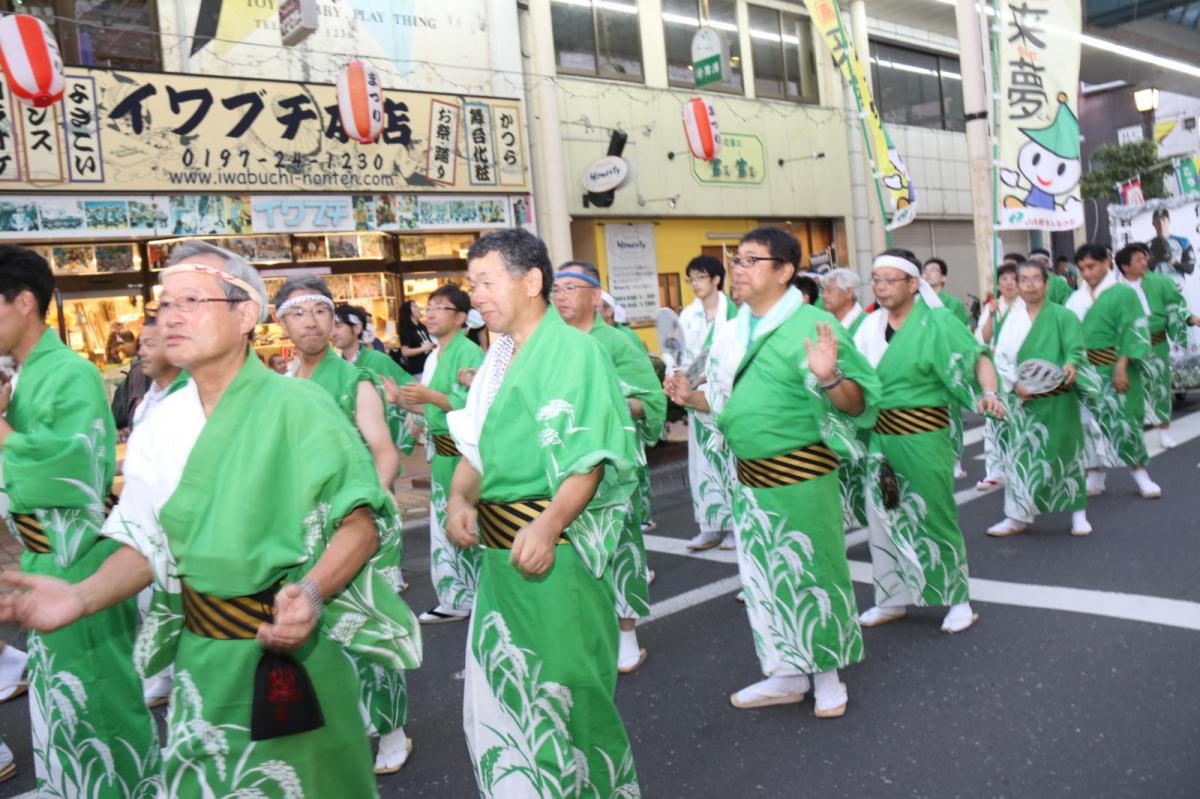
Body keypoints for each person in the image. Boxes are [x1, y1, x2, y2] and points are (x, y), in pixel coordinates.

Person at [0, 242, 422, 797]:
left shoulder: (299, 405)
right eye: (163, 304)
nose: (169, 316)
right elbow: (146, 540)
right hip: (200, 655)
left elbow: (360, 523)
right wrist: (80, 597)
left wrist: (314, 593)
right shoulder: (162, 421)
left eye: (191, 300)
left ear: (245, 315)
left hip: (287, 651)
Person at [445, 229, 641, 797]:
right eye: (472, 283)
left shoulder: (576, 351)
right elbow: (477, 448)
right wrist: (460, 498)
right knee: (509, 686)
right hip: (503, 560)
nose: (476, 295)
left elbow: (590, 456)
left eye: (487, 281)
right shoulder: (500, 355)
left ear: (531, 281)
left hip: (557, 556)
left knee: (568, 693)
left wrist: (552, 522)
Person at [667, 227, 878, 718]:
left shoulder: (812, 324)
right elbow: (728, 404)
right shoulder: (735, 328)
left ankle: (827, 676)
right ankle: (784, 673)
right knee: (764, 578)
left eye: (749, 261)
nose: (736, 269)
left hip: (802, 474)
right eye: (735, 259)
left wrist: (830, 376)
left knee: (813, 570)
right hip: (749, 478)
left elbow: (858, 404)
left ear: (783, 272)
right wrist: (690, 398)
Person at [0, 245, 160, 795]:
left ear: (23, 302)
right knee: (62, 693)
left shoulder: (67, 372)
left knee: (97, 694)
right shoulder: (24, 373)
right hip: (48, 555)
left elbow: (69, 470)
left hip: (76, 558)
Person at [274, 274, 413, 774]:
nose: (310, 322)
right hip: (301, 532)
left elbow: (384, 452)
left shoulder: (356, 379)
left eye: (319, 312)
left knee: (367, 629)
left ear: (334, 321)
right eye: (298, 313)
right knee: (316, 632)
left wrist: (362, 520)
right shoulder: (282, 386)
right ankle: (339, 723)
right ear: (280, 322)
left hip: (353, 526)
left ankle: (392, 728)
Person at [853, 248, 1005, 634]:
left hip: (923, 436)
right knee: (882, 519)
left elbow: (977, 356)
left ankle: (957, 599)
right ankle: (891, 598)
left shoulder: (937, 321)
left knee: (932, 514)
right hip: (878, 438)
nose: (882, 287)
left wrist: (990, 392)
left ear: (913, 283)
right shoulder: (868, 326)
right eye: (876, 280)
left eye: (890, 280)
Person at [553, 260, 667, 675]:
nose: (561, 296)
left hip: (613, 462)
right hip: (564, 463)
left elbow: (651, 402)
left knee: (619, 546)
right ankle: (588, 631)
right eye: (556, 289)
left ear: (595, 296)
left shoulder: (616, 342)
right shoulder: (551, 343)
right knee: (571, 547)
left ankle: (627, 636)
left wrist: (604, 403)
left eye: (570, 287)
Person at [395, 284, 485, 624]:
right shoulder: (436, 353)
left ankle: (472, 596)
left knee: (463, 524)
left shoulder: (468, 352)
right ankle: (454, 597)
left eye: (439, 308)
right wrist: (404, 402)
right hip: (442, 454)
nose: (430, 313)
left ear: (461, 317)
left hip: (461, 456)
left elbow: (472, 406)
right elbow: (432, 401)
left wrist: (428, 397)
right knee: (445, 526)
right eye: (428, 307)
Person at [986, 261, 1093, 537]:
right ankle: (1016, 516)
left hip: (1059, 398)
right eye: (1024, 279)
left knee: (1067, 453)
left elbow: (1075, 348)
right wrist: (1013, 383)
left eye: (1036, 279)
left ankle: (1078, 514)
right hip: (1025, 401)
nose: (1030, 284)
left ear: (1046, 284)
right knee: (1021, 456)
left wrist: (1071, 364)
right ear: (1018, 285)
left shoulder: (1063, 315)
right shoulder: (1011, 318)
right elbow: (1001, 359)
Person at [1066, 244, 1162, 499]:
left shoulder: (1124, 293)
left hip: (1116, 365)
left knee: (1124, 422)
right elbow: (1068, 333)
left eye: (1091, 266)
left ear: (1107, 263)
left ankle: (1141, 475)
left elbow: (1134, 329)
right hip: (1086, 369)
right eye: (1082, 268)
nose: (1087, 273)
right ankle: (1095, 474)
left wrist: (1122, 366)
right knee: (1086, 425)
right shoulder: (1076, 298)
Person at [131, 314, 184, 708]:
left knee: (177, 600)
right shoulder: (146, 398)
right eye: (141, 344)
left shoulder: (187, 395)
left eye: (150, 344)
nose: (141, 352)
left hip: (179, 521)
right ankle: (163, 674)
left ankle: (180, 676)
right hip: (146, 519)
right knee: (150, 599)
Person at [677, 255, 737, 551]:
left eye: (700, 277)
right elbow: (681, 355)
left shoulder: (736, 312)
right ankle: (710, 525)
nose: (695, 284)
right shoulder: (688, 315)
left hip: (724, 396)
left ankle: (735, 527)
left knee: (729, 461)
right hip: (697, 397)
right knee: (702, 462)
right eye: (692, 279)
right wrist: (681, 376)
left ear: (716, 279)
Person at [1114, 243, 1200, 450]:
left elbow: (1177, 306)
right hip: (1127, 347)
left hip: (1156, 343)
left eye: (1145, 258)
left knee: (1160, 387)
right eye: (1139, 260)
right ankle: (1132, 434)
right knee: (1130, 390)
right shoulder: (1114, 290)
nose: (1145, 262)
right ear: (1125, 266)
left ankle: (1163, 432)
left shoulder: (1161, 282)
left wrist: (1190, 318)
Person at [333, 302, 415, 454]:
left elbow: (410, 387)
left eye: (338, 326)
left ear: (357, 328)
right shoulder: (335, 365)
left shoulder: (378, 360)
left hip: (377, 443)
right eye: (330, 327)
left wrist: (411, 411)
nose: (333, 332)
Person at [922, 258, 973, 481]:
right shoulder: (918, 302)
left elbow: (958, 332)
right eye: (926, 270)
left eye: (935, 271)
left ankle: (955, 458)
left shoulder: (950, 303)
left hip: (947, 361)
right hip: (925, 364)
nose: (930, 274)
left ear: (944, 277)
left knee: (951, 414)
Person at [974, 261, 1020, 490]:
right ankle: (995, 470)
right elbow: (982, 339)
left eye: (1014, 278)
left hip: (1020, 372)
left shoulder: (1026, 307)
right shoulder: (993, 307)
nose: (1009, 283)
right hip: (998, 373)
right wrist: (991, 315)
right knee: (994, 422)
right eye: (1004, 279)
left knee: (1021, 422)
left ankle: (1019, 467)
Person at [922, 258, 971, 327]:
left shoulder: (953, 302)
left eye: (933, 270)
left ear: (943, 278)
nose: (927, 273)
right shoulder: (918, 301)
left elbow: (962, 329)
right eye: (925, 270)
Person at [821, 268, 867, 336]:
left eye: (829, 290)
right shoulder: (825, 323)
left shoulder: (867, 323)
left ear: (849, 292)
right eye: (823, 291)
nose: (824, 295)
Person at [398, 299, 434, 376]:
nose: (418, 308)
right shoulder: (405, 329)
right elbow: (405, 352)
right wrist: (424, 348)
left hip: (430, 365)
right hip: (418, 370)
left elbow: (429, 342)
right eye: (414, 306)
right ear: (408, 311)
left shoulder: (422, 326)